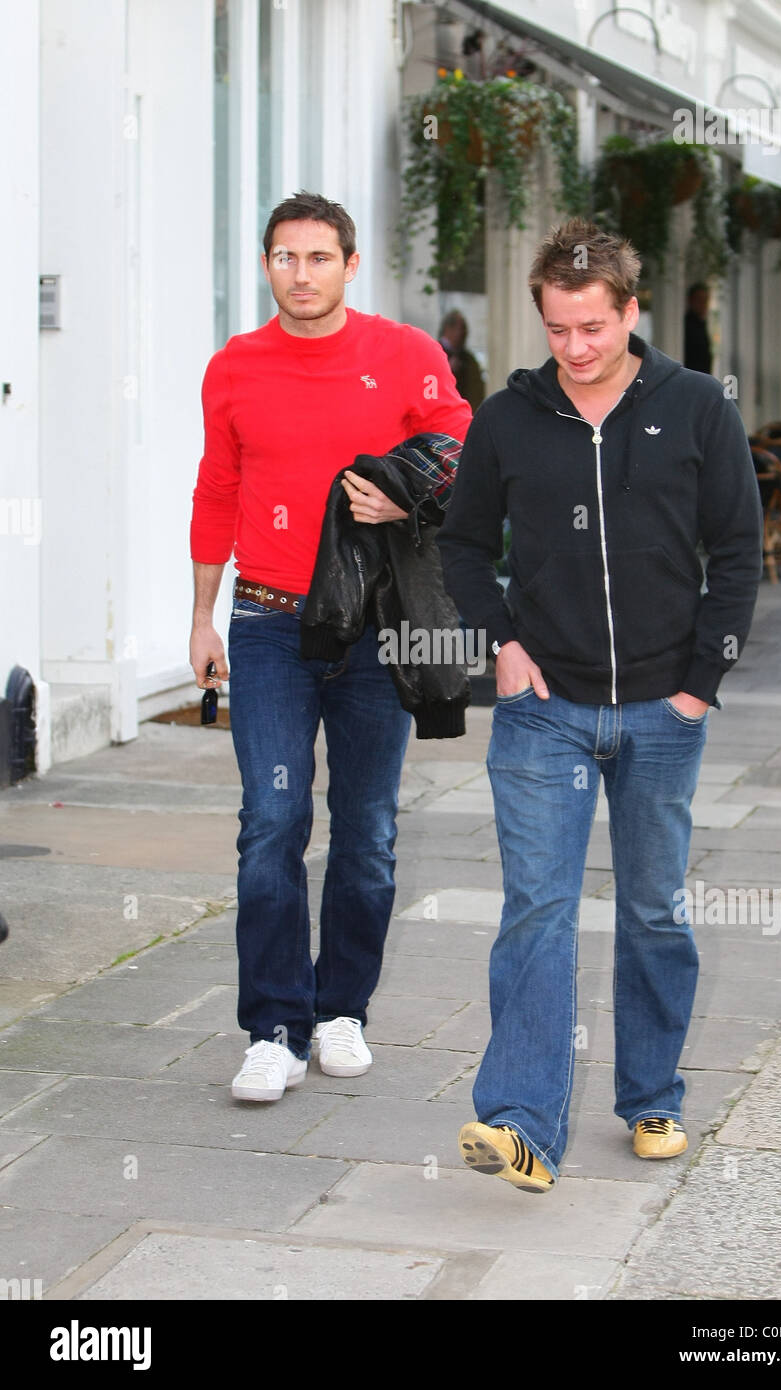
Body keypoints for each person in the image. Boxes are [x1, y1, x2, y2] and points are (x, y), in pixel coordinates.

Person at [437, 218, 763, 1191]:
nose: (574, 349)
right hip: (544, 709)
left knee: (656, 909)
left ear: (631, 310)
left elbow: (740, 553)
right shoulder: (509, 417)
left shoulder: (698, 408)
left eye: (592, 327)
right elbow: (461, 543)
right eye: (556, 330)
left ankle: (652, 1091)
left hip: (666, 711)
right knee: (537, 909)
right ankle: (522, 1124)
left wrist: (702, 685)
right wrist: (500, 639)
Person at [189, 191, 471, 1102]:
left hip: (378, 625)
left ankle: (341, 1009)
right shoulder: (234, 367)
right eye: (284, 257)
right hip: (269, 622)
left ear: (351, 265)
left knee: (369, 832)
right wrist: (202, 617)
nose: (300, 274)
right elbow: (217, 490)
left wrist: (408, 499)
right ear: (266, 265)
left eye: (318, 258)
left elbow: (462, 447)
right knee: (271, 822)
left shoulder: (406, 355)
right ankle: (273, 1026)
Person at [438, 309, 486, 412]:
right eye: (461, 329)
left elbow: (477, 391)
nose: (464, 334)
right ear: (448, 329)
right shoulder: (435, 354)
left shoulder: (469, 359)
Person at [684, 282, 712, 374]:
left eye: (705, 301)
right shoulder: (687, 326)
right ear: (691, 301)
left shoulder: (701, 324)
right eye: (699, 300)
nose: (703, 305)